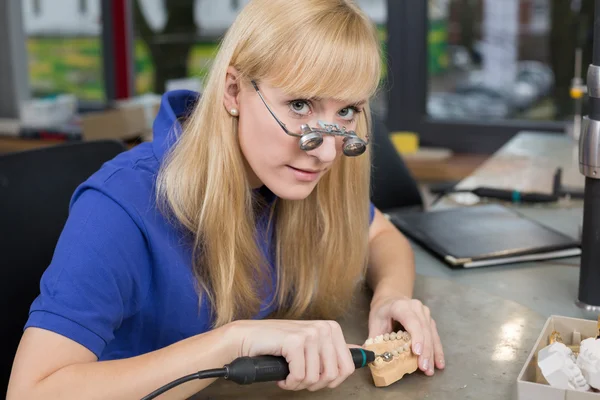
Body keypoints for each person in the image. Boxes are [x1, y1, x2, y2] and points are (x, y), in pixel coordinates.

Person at [7, 0, 444, 398]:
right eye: (299, 104)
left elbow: (380, 235)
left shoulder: (298, 173)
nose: (327, 153)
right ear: (233, 91)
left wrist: (390, 297)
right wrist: (233, 343)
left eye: (346, 111)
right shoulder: (119, 207)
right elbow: (31, 392)